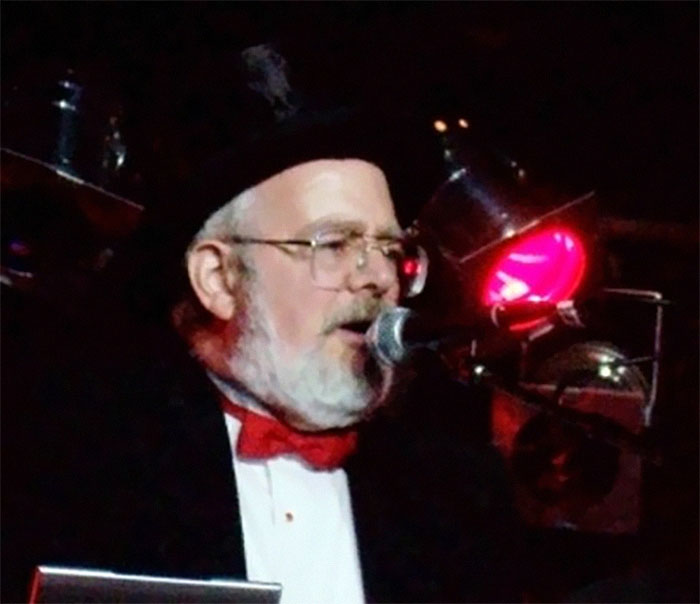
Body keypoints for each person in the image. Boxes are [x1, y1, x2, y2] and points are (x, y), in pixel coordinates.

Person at [2, 45, 523, 604]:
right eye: (335, 244)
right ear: (220, 279)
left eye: (390, 250)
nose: (378, 277)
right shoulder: (74, 460)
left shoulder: (452, 491)